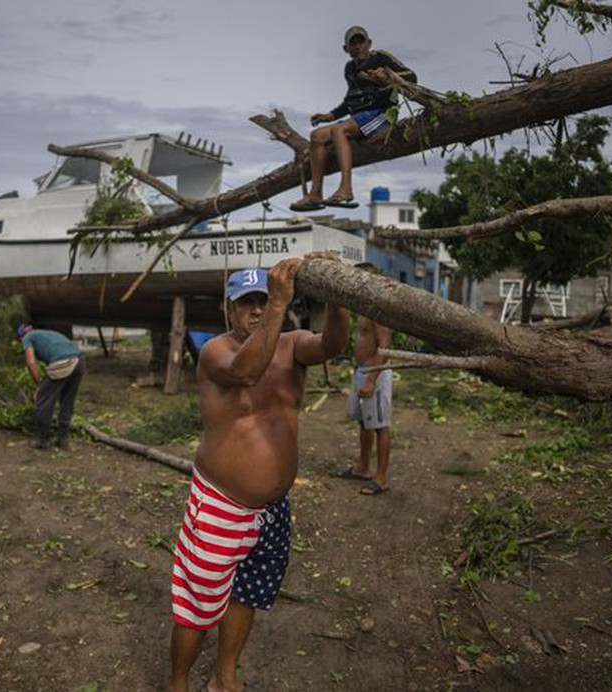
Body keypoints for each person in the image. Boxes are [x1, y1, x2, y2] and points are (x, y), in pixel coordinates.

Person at [169, 255, 349, 692]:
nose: (255, 309)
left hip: (272, 508)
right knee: (198, 606)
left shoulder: (290, 345)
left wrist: (339, 298)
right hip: (221, 505)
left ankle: (224, 675)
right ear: (228, 310)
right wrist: (278, 307)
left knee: (247, 591)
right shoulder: (217, 352)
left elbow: (331, 346)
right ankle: (178, 684)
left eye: (263, 301)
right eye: (246, 302)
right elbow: (247, 372)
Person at [290, 25, 417, 212]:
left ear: (369, 43)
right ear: (346, 49)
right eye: (353, 44)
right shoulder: (350, 68)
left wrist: (389, 75)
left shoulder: (380, 57)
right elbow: (350, 101)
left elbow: (412, 77)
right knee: (317, 136)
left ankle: (346, 190)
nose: (358, 47)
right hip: (359, 117)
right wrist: (330, 115)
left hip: (381, 115)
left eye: (361, 42)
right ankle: (315, 194)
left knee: (338, 130)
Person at [339, 263, 393, 495]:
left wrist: (371, 379)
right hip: (361, 369)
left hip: (375, 372)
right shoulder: (363, 306)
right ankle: (362, 467)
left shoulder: (377, 308)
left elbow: (386, 346)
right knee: (364, 422)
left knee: (380, 426)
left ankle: (381, 478)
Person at [17, 324, 85, 451]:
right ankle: (63, 440)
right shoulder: (47, 333)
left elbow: (31, 363)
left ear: (21, 338)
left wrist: (40, 385)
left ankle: (43, 440)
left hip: (63, 362)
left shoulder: (27, 338)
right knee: (67, 400)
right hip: (79, 360)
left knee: (43, 399)